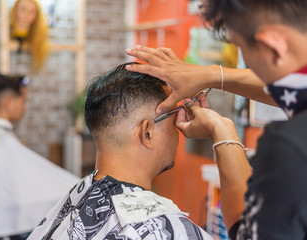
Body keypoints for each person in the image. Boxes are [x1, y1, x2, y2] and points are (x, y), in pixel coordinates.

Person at [126, 0, 307, 239]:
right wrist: (211, 75)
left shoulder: (289, 145)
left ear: (272, 46)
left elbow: (246, 232)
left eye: (241, 48)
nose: (248, 63)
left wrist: (222, 131)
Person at [27, 63, 212, 240]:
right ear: (147, 132)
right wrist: (222, 132)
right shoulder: (166, 231)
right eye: (173, 117)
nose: (178, 129)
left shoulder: (77, 198)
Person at [0, 74, 80, 240]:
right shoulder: (0, 144)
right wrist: (77, 189)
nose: (24, 108)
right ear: (8, 101)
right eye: (23, 101)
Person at [10, 0, 49, 69]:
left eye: (32, 11)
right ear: (15, 10)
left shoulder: (39, 37)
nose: (27, 14)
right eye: (23, 9)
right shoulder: (6, 33)